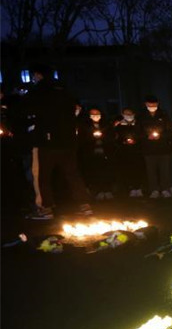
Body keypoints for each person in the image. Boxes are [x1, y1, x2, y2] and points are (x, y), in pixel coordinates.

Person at [23, 64, 93, 219]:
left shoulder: (39, 91)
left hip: (47, 141)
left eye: (34, 76)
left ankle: (46, 208)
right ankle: (85, 205)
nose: (33, 79)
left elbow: (29, 110)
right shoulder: (65, 91)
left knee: (43, 176)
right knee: (72, 173)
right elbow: (76, 111)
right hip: (68, 140)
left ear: (39, 75)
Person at [140, 95, 172, 198]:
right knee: (151, 171)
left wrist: (161, 136)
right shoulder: (142, 116)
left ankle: (165, 189)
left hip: (163, 148)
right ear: (146, 104)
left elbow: (170, 131)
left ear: (157, 104)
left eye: (154, 105)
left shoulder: (164, 115)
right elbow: (138, 132)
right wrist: (147, 136)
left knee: (165, 170)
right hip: (149, 149)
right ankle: (154, 190)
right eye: (150, 105)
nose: (152, 106)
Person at [77, 107, 114, 200]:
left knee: (106, 172)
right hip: (92, 154)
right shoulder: (85, 126)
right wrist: (93, 137)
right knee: (95, 173)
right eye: (93, 114)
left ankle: (108, 190)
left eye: (97, 114)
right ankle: (98, 191)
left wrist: (103, 137)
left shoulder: (106, 125)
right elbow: (82, 139)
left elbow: (111, 137)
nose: (95, 116)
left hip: (105, 153)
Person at [114, 108, 145, 197]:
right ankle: (131, 188)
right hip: (125, 152)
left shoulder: (138, 124)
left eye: (130, 113)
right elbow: (116, 138)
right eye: (126, 113)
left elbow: (142, 135)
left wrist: (136, 140)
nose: (128, 115)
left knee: (138, 169)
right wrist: (124, 141)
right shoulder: (119, 125)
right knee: (128, 170)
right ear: (122, 114)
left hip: (137, 151)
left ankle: (138, 188)